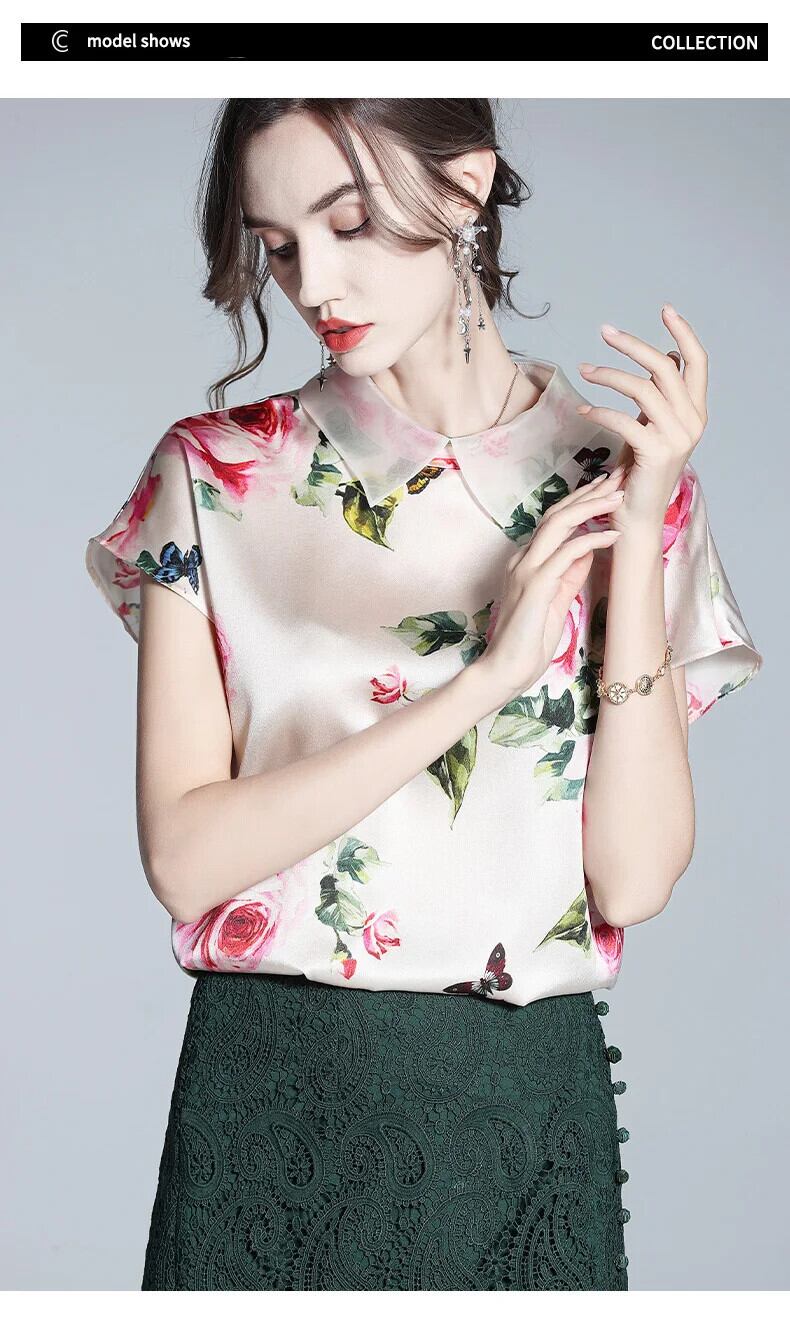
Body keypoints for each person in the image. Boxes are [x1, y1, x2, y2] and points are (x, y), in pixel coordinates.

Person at [85, 99, 763, 1291]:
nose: (312, 282)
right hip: (277, 1103)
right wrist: (487, 677)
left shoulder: (614, 481)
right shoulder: (216, 474)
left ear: (464, 189)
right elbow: (186, 863)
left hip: (525, 1110)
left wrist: (644, 519)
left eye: (348, 224)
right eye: (278, 244)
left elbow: (633, 879)